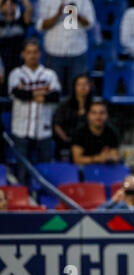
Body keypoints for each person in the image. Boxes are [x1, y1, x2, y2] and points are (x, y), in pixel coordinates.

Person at [8, 38, 61, 185]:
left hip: (43, 129)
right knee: (22, 170)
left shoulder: (49, 74)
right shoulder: (16, 73)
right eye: (29, 52)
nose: (32, 55)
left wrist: (29, 93)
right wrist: (40, 94)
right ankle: (23, 201)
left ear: (40, 54)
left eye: (35, 52)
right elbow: (17, 93)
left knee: (45, 170)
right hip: (21, 128)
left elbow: (55, 96)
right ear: (23, 54)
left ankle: (44, 201)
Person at [36, 0, 96, 95]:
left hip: (77, 51)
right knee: (53, 91)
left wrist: (76, 14)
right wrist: (58, 14)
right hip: (54, 52)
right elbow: (40, 25)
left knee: (77, 92)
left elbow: (90, 24)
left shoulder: (84, 1)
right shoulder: (45, 1)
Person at [53, 73, 92, 161]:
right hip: (67, 143)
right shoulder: (64, 104)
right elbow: (57, 125)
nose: (83, 87)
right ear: (74, 87)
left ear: (90, 86)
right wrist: (66, 140)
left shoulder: (94, 105)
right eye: (80, 84)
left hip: (89, 144)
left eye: (86, 84)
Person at [71, 98, 120, 165]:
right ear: (88, 115)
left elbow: (114, 156)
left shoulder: (111, 133)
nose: (98, 116)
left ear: (107, 115)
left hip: (105, 170)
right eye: (94, 113)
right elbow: (77, 159)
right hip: (83, 171)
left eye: (102, 113)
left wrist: (108, 158)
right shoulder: (79, 133)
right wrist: (97, 158)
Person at [0, 0, 33, 96]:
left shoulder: (21, 21)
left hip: (18, 62)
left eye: (12, 4)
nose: (9, 7)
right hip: (2, 64)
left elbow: (29, 9)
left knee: (18, 92)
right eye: (6, 5)